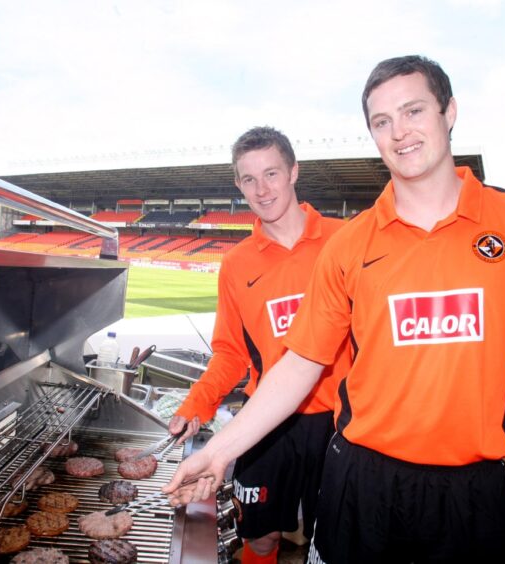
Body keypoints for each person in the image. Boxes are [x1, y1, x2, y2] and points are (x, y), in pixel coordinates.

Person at [164, 55, 505, 564]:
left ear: (449, 112)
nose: (399, 132)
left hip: (473, 490)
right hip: (360, 482)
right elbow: (300, 362)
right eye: (382, 122)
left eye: (413, 111)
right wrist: (218, 451)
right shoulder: (350, 245)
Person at [167, 126, 350, 564]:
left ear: (293, 172)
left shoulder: (346, 240)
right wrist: (197, 404)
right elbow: (231, 353)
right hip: (267, 426)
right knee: (262, 538)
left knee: (331, 546)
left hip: (342, 422)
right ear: (238, 185)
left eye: (271, 174)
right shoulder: (236, 264)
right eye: (249, 179)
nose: (262, 189)